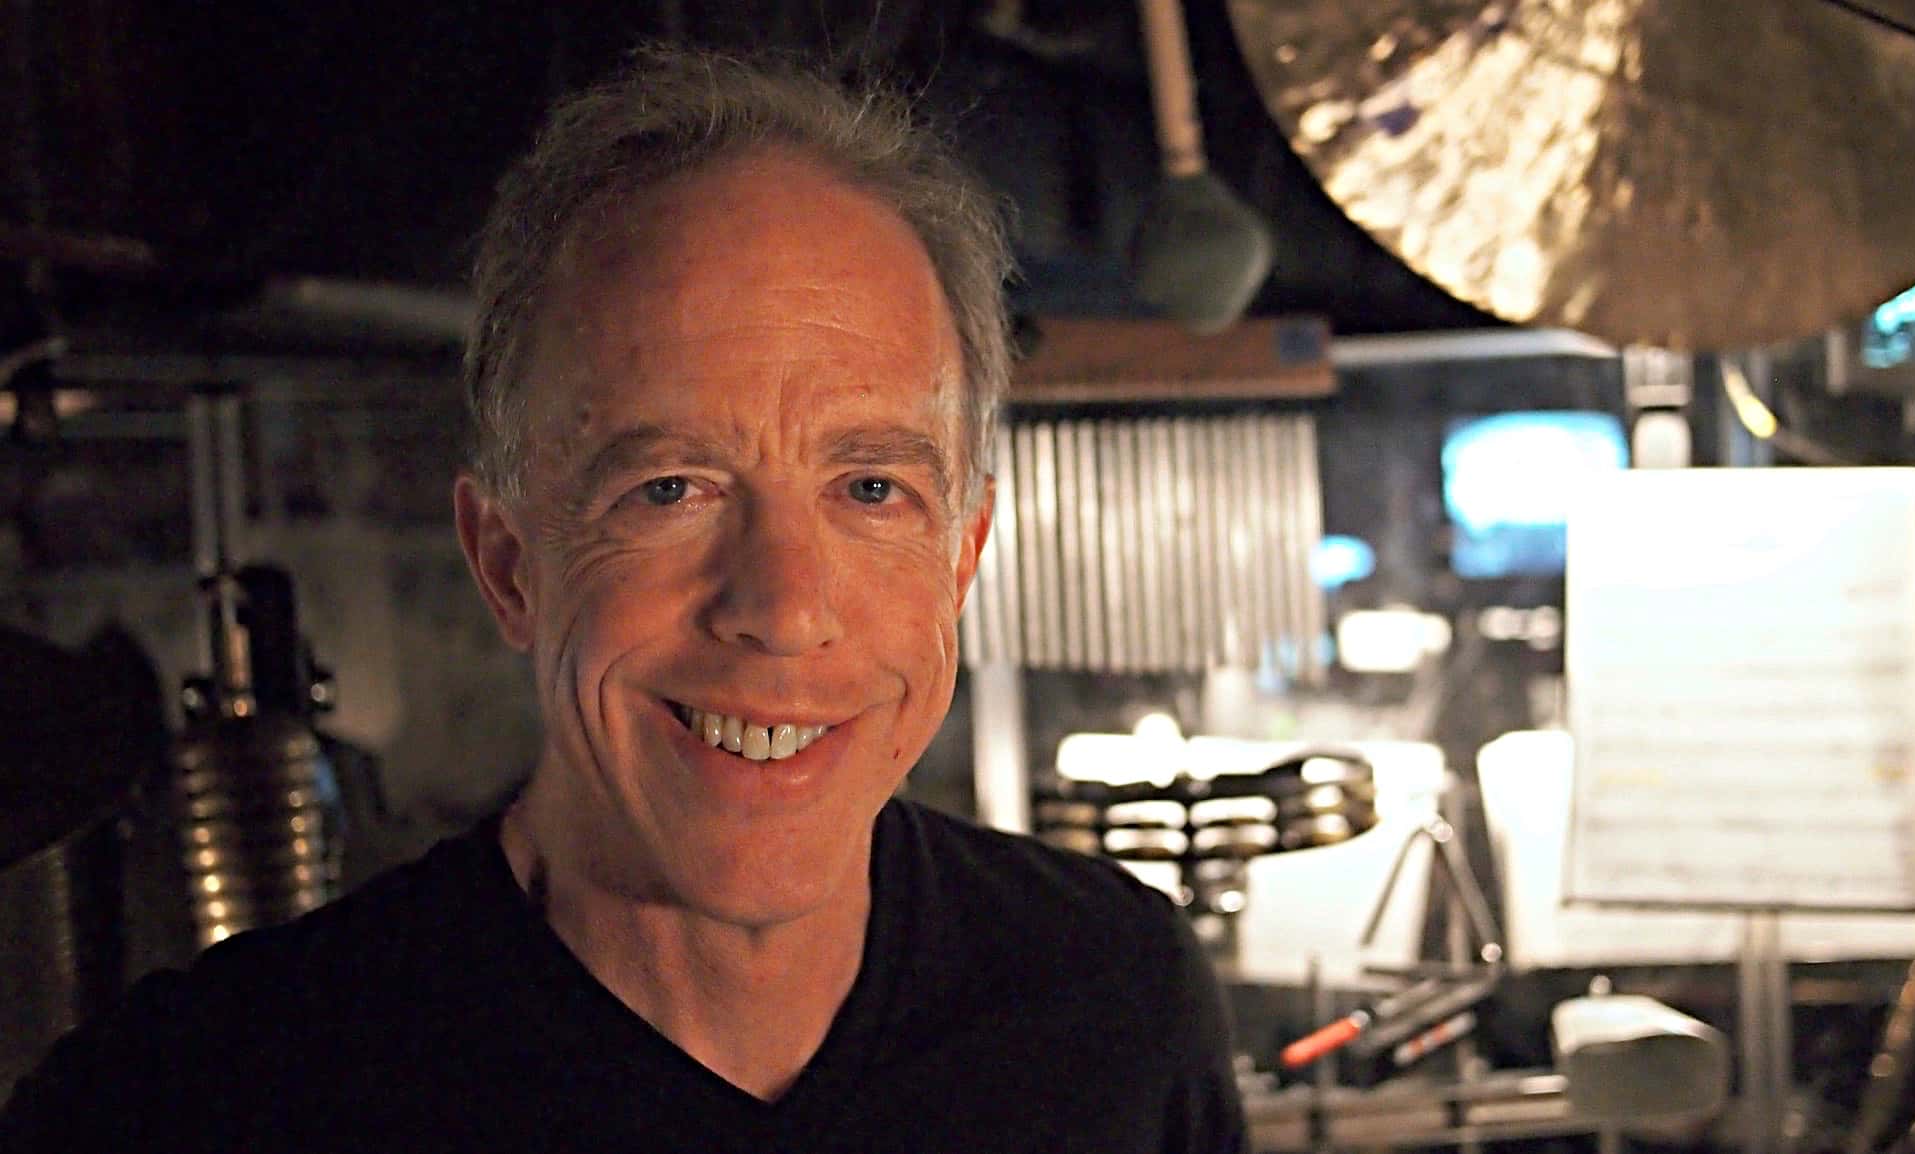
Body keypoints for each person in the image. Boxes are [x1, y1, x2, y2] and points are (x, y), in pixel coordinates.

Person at [1, 47, 1247, 1152]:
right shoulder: (196, 1102)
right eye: (669, 487)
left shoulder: (1112, 1007)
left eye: (870, 486)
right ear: (508, 564)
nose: (781, 605)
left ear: (963, 556)